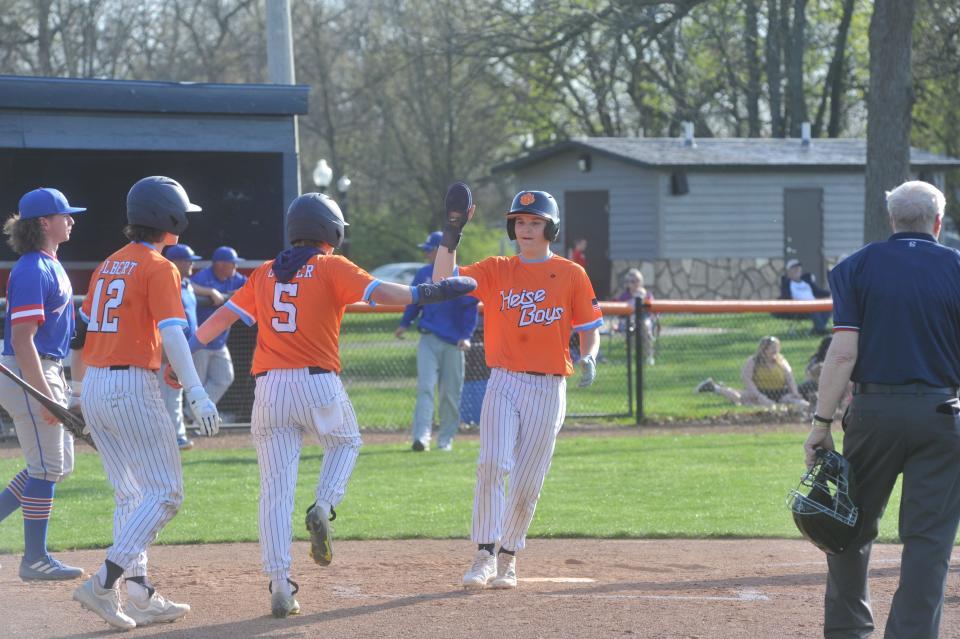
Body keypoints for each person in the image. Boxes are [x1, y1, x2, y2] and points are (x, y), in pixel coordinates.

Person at [188, 192, 476, 618]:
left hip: (267, 390)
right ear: (332, 231)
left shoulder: (266, 272)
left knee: (274, 491)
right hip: (317, 383)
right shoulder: (331, 266)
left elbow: (216, 322)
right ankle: (323, 504)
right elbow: (386, 294)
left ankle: (280, 583)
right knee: (345, 443)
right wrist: (428, 293)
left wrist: (180, 362)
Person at [803, 180, 960, 639]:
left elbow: (844, 353)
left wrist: (821, 422)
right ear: (937, 221)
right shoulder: (956, 267)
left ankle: (849, 632)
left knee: (847, 527)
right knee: (928, 542)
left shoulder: (857, 267)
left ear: (891, 219)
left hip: (873, 412)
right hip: (943, 411)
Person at [433, 185, 602, 591]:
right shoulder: (497, 269)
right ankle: (484, 553)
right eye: (520, 222)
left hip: (549, 387)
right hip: (504, 380)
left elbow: (588, 329)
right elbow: (442, 280)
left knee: (528, 479)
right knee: (492, 463)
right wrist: (451, 233)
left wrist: (589, 355)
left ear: (551, 228)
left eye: (535, 222)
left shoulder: (571, 274)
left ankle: (509, 556)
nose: (526, 229)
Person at [71, 176, 222, 631]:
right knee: (166, 493)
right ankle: (103, 583)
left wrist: (77, 391)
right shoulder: (159, 266)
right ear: (167, 218)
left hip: (97, 382)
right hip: (130, 387)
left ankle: (138, 593)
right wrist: (196, 391)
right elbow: (174, 330)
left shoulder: (108, 265)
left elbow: (82, 334)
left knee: (131, 494)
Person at [0, 188, 86, 581]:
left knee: (58, 467)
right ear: (42, 223)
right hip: (28, 370)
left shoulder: (50, 264)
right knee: (46, 468)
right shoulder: (33, 268)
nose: (70, 220)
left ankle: (34, 555)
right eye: (63, 214)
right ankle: (34, 559)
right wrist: (48, 398)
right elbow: (22, 339)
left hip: (45, 367)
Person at [395, 231, 479, 451]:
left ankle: (446, 439)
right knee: (425, 388)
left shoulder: (460, 275)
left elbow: (470, 310)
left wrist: (466, 335)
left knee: (450, 392)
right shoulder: (423, 273)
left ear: (444, 251)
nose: (426, 254)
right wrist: (405, 323)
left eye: (429, 250)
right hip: (428, 338)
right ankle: (421, 437)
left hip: (453, 342)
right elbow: (413, 302)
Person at [189, 246, 247, 418]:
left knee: (224, 378)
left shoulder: (235, 278)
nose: (235, 267)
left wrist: (240, 293)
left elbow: (253, 285)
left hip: (220, 340)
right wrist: (210, 292)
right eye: (232, 264)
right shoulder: (204, 277)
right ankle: (193, 418)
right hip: (200, 340)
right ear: (221, 265)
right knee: (196, 384)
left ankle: (192, 414)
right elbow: (186, 285)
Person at [159, 244, 202, 450]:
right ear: (175, 262)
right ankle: (175, 436)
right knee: (170, 396)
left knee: (174, 395)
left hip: (183, 349)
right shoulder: (168, 282)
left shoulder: (185, 283)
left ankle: (174, 434)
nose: (192, 263)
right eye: (188, 259)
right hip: (169, 351)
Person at [695, 335, 809, 412]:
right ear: (764, 349)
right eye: (772, 348)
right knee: (738, 398)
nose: (775, 351)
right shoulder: (753, 361)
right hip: (758, 391)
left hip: (779, 392)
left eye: (777, 348)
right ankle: (714, 387)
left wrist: (795, 392)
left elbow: (790, 378)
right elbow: (746, 379)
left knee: (801, 404)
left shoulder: (782, 361)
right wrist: (759, 396)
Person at [779, 258, 831, 334]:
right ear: (788, 271)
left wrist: (830, 294)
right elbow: (786, 297)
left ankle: (818, 328)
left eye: (798, 267)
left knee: (829, 306)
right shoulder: (787, 284)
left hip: (814, 305)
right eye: (794, 268)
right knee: (813, 307)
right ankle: (820, 330)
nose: (797, 269)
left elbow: (818, 292)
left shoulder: (807, 282)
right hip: (798, 308)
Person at [616, 268, 656, 365]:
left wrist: (642, 298)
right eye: (632, 281)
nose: (635, 283)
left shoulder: (647, 295)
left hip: (644, 321)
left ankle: (648, 356)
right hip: (627, 322)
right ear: (628, 283)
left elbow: (651, 310)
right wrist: (634, 299)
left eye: (637, 281)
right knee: (631, 329)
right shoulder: (624, 297)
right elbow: (620, 314)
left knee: (644, 326)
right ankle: (632, 358)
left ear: (641, 282)